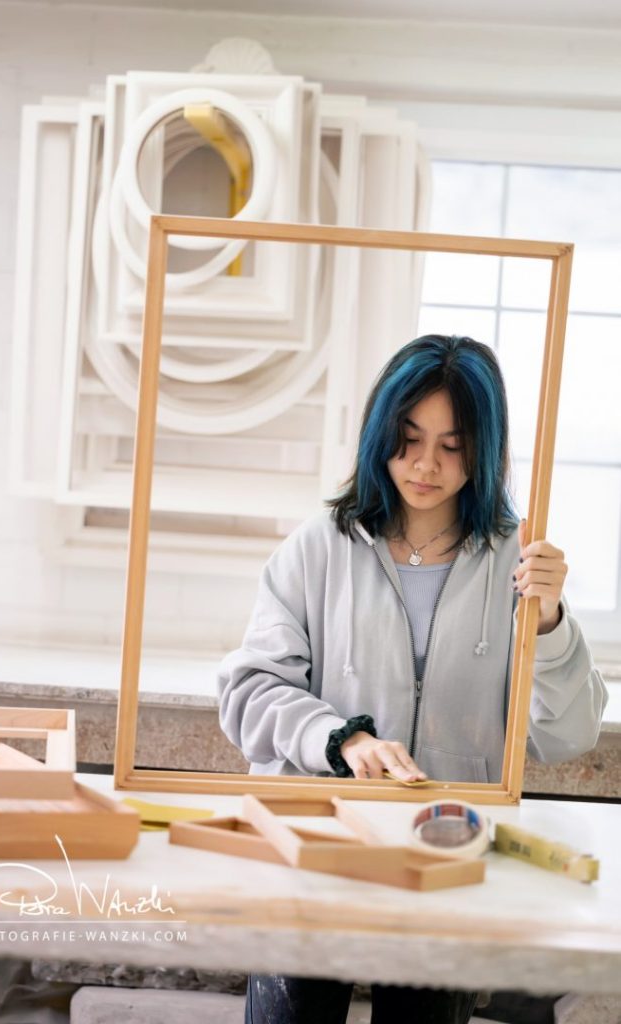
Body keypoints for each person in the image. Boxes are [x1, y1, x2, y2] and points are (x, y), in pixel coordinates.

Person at [216, 334, 608, 1024]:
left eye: (452, 446)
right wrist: (341, 741)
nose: (425, 464)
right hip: (318, 845)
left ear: (483, 449)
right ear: (379, 434)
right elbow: (249, 690)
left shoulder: (518, 560)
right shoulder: (319, 546)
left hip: (446, 853)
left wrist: (547, 622)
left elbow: (564, 734)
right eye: (407, 437)